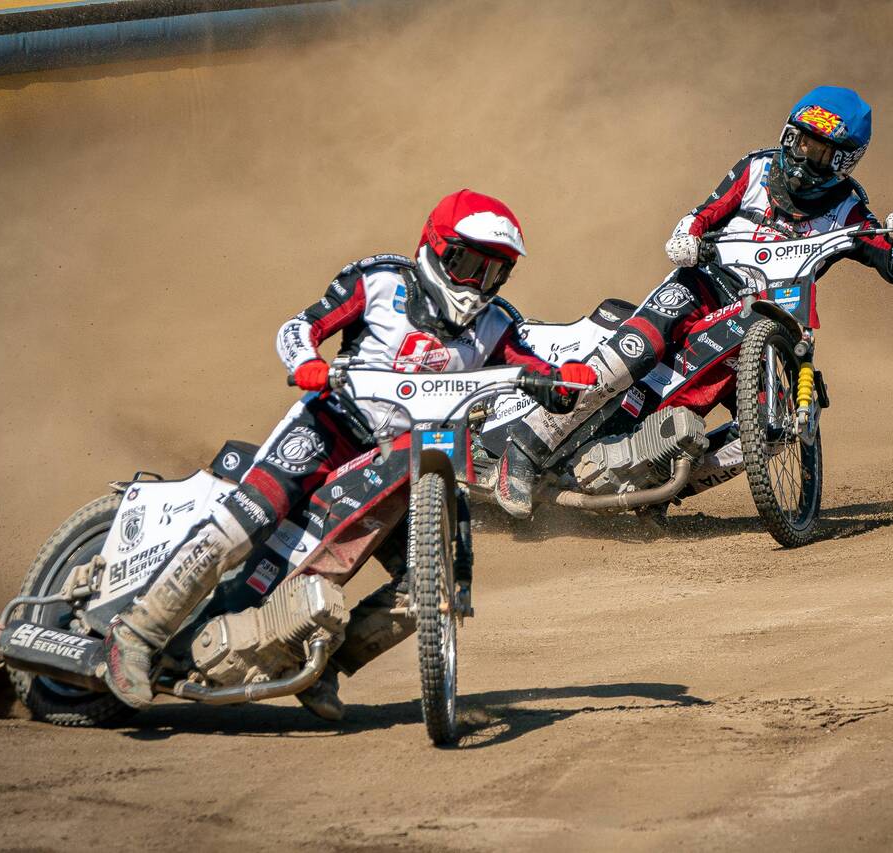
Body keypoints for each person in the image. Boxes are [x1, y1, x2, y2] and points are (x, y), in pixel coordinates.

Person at [103, 189, 597, 715]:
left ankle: (325, 669)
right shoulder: (381, 281)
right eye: (471, 265)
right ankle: (135, 634)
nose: (478, 284)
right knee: (247, 519)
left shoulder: (496, 323)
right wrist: (306, 362)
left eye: (495, 273)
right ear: (436, 247)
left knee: (440, 582)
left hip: (411, 460)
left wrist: (565, 381)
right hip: (330, 428)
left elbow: (537, 368)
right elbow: (301, 326)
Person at [493, 86, 893, 518]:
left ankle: (658, 488)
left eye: (821, 151)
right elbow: (703, 214)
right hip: (703, 284)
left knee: (771, 431)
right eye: (800, 141)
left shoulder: (849, 208)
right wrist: (686, 237)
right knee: (635, 350)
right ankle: (524, 451)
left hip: (768, 317)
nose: (803, 157)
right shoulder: (755, 168)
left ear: (845, 161)